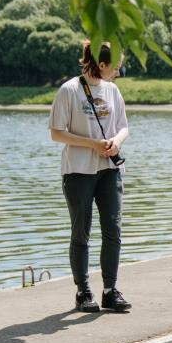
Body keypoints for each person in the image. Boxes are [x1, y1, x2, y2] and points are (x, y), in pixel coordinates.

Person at [49, 41, 131, 313]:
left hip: (109, 170)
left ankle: (110, 290)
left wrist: (116, 142)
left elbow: (123, 127)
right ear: (102, 65)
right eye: (116, 68)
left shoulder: (112, 90)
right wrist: (92, 143)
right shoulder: (69, 90)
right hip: (78, 171)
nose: (119, 72)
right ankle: (83, 291)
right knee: (81, 232)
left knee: (113, 230)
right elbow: (56, 132)